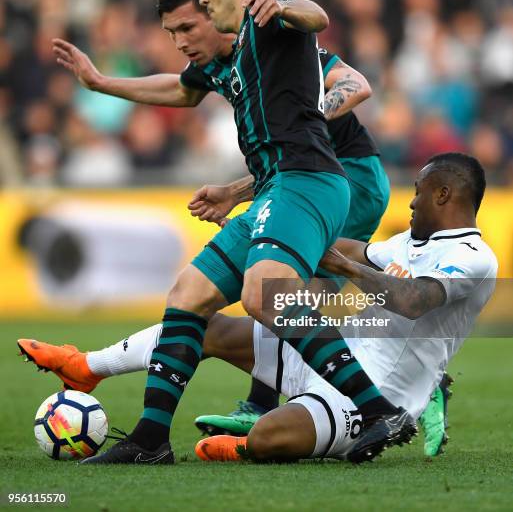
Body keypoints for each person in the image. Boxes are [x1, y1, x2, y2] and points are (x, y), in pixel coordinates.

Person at [50, 0, 446, 454]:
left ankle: (390, 393)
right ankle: (153, 438)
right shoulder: (219, 61)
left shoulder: (272, 36)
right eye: (170, 32)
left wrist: (300, 116)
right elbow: (180, 88)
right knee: (197, 294)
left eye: (187, 27)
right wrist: (101, 83)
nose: (178, 41)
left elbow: (352, 76)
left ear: (217, 5)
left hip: (344, 175)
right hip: (280, 181)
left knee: (281, 293)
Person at [20, 153, 496, 463]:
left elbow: (412, 302)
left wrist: (335, 263)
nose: (410, 202)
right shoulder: (408, 242)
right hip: (342, 354)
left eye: (417, 191)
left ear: (444, 194)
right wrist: (275, 235)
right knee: (204, 326)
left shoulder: (472, 258)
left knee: (270, 438)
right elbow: (350, 252)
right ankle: (86, 366)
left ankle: (251, 445)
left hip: (378, 393)